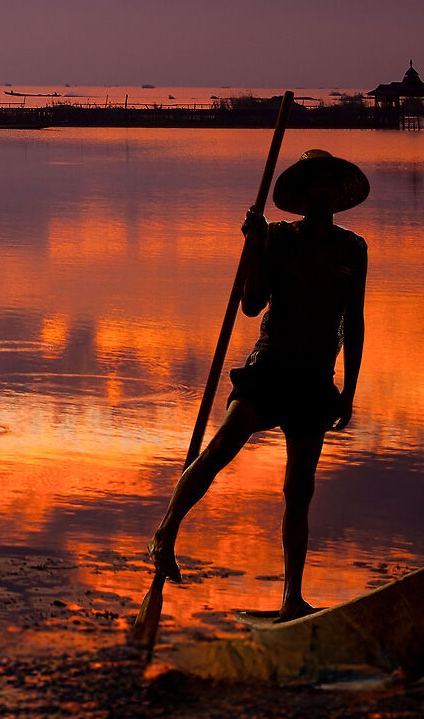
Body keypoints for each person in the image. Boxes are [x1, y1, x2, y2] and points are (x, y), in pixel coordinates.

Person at [148, 147, 369, 621]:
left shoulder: (354, 248)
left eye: (329, 185)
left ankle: (292, 598)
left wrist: (349, 392)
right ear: (303, 194)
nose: (323, 192)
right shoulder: (279, 239)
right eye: (315, 185)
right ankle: (164, 535)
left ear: (338, 194)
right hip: (269, 370)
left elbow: (355, 321)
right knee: (221, 447)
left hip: (314, 382)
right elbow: (251, 305)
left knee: (299, 491)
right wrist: (253, 249)